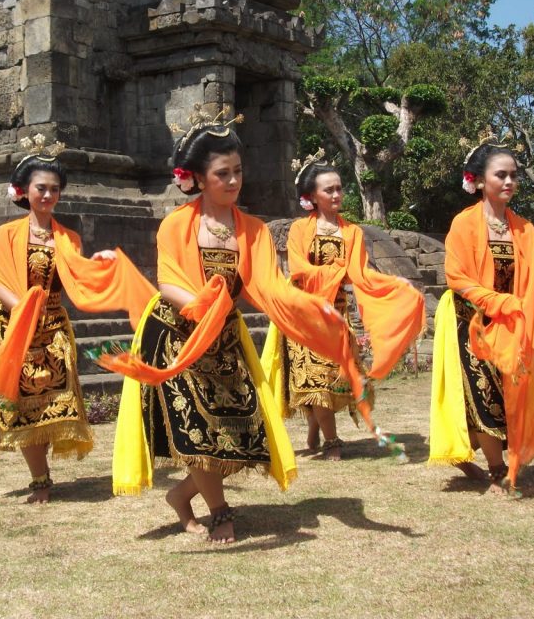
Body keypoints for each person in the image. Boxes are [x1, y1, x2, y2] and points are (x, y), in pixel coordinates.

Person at [102, 109, 356, 544]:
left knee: (233, 434)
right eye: (223, 173)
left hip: (224, 341)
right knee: (198, 428)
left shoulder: (253, 230)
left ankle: (181, 497)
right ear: (198, 178)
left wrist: (315, 310)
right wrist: (204, 305)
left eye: (238, 171)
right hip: (176, 336)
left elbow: (271, 286)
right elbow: (168, 282)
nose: (234, 181)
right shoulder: (176, 225)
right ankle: (220, 511)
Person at [0, 134, 154, 504]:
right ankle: (40, 478)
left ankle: (44, 471)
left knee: (57, 400)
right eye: (41, 188)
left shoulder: (67, 237)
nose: (48, 196)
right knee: (21, 405)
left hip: (53, 328)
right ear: (24, 190)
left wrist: (101, 262)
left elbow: (78, 278)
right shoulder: (7, 234)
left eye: (54, 189)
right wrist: (23, 310)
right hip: (14, 326)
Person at [428, 140, 534, 495]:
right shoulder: (464, 224)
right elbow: (457, 277)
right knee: (485, 392)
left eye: (513, 176)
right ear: (479, 180)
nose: (508, 182)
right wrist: (496, 302)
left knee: (511, 393)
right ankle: (496, 468)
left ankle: (476, 450)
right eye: (500, 175)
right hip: (471, 323)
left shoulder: (523, 229)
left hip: (511, 326)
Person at [268, 151, 426, 460]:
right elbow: (299, 271)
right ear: (312, 196)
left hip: (337, 315)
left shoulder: (352, 232)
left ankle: (316, 423)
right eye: (329, 190)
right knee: (313, 376)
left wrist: (396, 284)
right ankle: (332, 441)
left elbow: (361, 274)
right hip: (305, 314)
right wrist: (337, 271)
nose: (337, 194)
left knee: (334, 376)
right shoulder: (301, 230)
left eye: (339, 188)